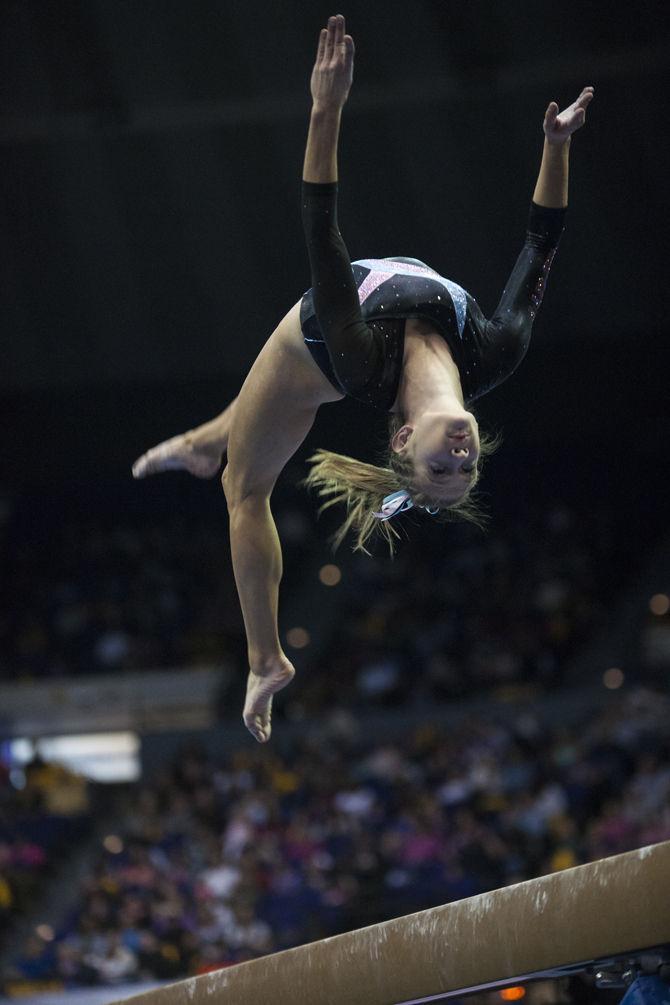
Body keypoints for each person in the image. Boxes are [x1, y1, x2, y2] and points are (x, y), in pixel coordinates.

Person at [132, 15, 594, 742]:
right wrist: (556, 145)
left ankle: (264, 659)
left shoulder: (357, 355)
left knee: (242, 487)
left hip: (314, 339)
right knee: (231, 434)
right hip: (368, 333)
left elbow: (322, 231)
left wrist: (326, 107)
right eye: (467, 468)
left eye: (442, 463)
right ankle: (201, 439)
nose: (463, 455)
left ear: (405, 436)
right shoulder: (494, 351)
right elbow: (542, 246)